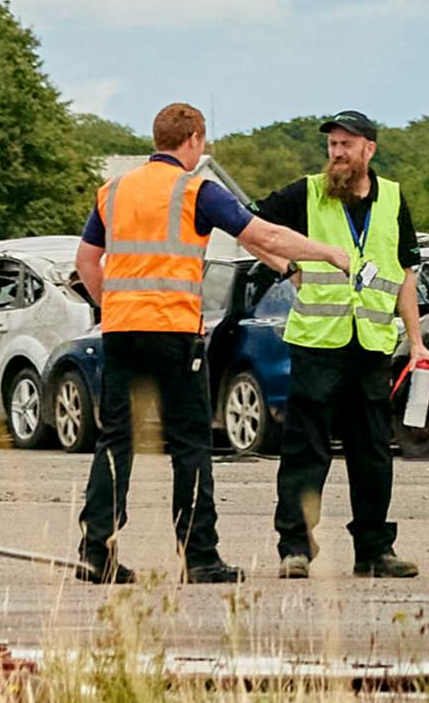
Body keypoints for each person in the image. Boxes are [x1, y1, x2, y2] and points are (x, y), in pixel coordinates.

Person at [76, 102, 359, 585]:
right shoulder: (195, 191)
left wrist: (114, 306)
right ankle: (199, 555)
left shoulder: (115, 190)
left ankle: (95, 551)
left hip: (120, 332)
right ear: (193, 141)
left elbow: (87, 261)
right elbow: (262, 231)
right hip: (174, 334)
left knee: (115, 441)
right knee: (189, 443)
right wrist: (327, 253)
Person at [257, 111, 424, 580]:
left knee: (372, 452)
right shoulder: (306, 192)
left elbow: (405, 272)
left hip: (370, 345)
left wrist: (416, 341)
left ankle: (373, 549)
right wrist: (287, 267)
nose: (336, 153)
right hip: (317, 344)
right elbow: (251, 226)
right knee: (305, 451)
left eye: (346, 144)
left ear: (369, 149)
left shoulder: (391, 198)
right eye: (332, 145)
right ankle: (294, 546)